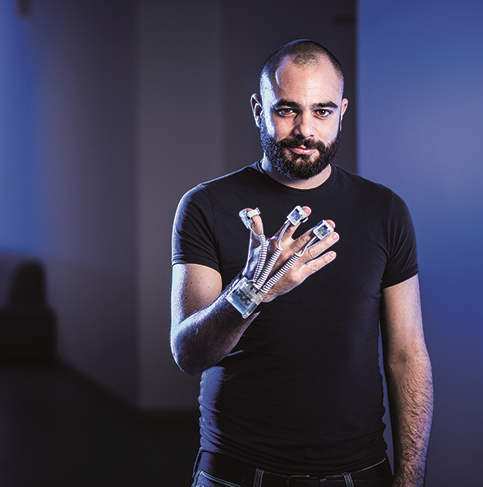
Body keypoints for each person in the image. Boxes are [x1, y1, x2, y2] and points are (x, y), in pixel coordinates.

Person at [170, 40, 433, 487]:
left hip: (359, 472)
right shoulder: (206, 206)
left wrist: (410, 480)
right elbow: (189, 354)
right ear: (259, 110)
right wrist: (252, 290)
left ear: (342, 112)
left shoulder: (384, 211)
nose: (305, 129)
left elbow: (407, 356)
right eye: (287, 110)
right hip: (235, 473)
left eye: (322, 111)